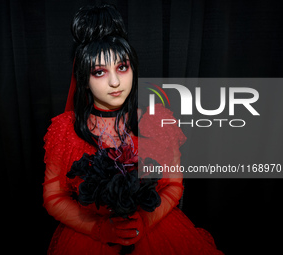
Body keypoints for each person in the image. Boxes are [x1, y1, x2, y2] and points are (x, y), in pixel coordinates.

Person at [43, 4, 223, 255]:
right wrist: (100, 228)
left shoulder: (157, 121)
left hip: (156, 232)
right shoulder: (65, 129)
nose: (115, 82)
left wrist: (146, 221)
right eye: (99, 72)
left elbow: (174, 185)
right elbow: (53, 198)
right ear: (83, 78)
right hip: (89, 239)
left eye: (122, 67)